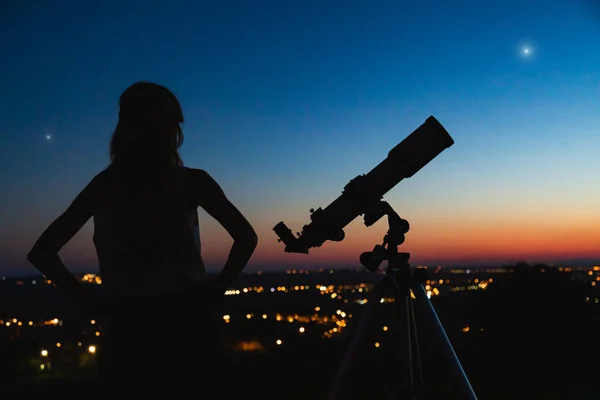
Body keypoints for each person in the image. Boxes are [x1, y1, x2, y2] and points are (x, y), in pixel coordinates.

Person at [27, 82, 258, 399]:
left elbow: (42, 252)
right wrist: (216, 290)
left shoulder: (104, 187)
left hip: (130, 326)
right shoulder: (192, 183)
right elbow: (245, 237)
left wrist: (91, 302)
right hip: (185, 323)